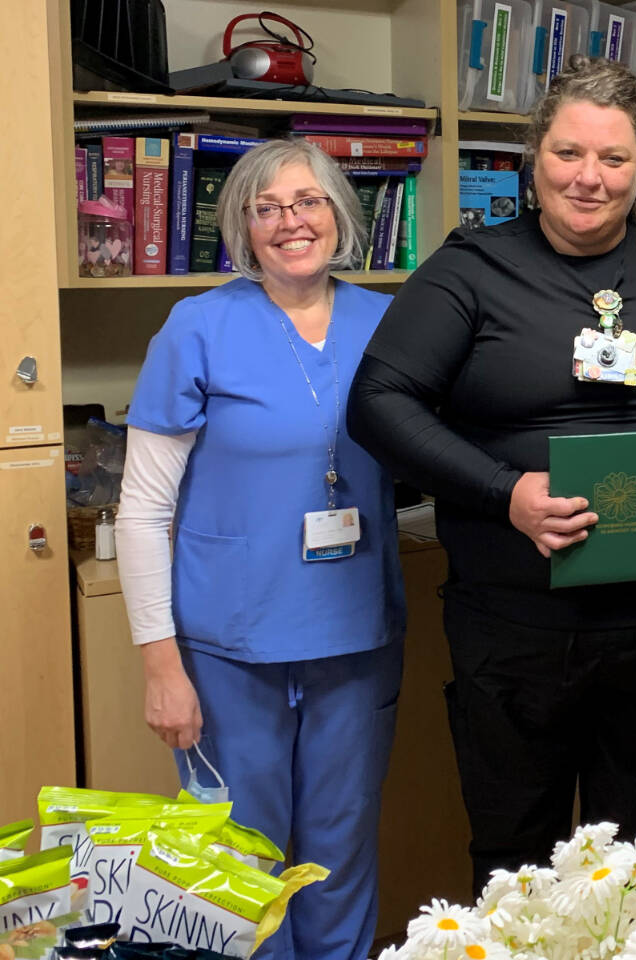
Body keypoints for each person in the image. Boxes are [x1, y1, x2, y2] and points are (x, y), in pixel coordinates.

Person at [346, 56, 636, 895]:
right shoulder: (470, 270)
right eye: (568, 153)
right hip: (514, 628)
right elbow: (379, 403)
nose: (589, 178)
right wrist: (502, 492)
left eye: (615, 159)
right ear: (533, 157)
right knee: (516, 858)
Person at [114, 138, 405, 960]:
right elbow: (141, 512)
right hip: (228, 651)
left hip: (355, 639)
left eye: (308, 201)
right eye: (267, 207)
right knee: (242, 869)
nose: (290, 222)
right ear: (243, 226)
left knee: (340, 858)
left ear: (339, 214)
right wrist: (160, 665)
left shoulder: (386, 323)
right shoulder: (196, 328)